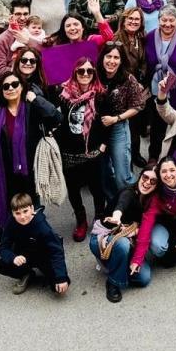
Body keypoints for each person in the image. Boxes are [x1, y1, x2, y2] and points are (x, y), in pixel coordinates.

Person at [0, 71, 61, 238]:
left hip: (31, 172)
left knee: (32, 209)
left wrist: (36, 100)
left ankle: (37, 240)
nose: (11, 88)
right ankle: (6, 236)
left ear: (22, 87)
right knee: (10, 208)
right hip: (5, 173)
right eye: (6, 86)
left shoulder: (32, 108)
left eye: (15, 84)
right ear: (0, 91)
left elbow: (56, 117)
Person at [56, 58, 108, 242]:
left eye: (89, 71)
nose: (85, 74)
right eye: (81, 71)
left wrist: (103, 144)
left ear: (94, 74)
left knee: (97, 188)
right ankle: (81, 220)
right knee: (73, 189)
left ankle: (99, 219)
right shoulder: (63, 95)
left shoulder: (101, 96)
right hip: (70, 153)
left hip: (93, 152)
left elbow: (107, 123)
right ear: (74, 73)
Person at [91, 167, 157, 302]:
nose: (147, 182)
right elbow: (122, 203)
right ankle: (113, 282)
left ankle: (114, 264)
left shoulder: (151, 200)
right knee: (122, 244)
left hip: (128, 239)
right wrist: (117, 216)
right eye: (145, 177)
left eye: (153, 181)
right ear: (140, 176)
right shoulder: (129, 192)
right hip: (104, 238)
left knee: (144, 278)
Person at [96, 42, 149, 199]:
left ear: (121, 60)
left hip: (117, 127)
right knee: (104, 172)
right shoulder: (93, 74)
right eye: (108, 56)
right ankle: (113, 204)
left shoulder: (128, 79)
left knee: (122, 173)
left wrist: (116, 118)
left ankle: (129, 204)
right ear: (102, 58)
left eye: (116, 57)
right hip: (97, 130)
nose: (112, 61)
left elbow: (138, 105)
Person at [0, 194, 70, 295]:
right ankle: (27, 274)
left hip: (43, 256)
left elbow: (56, 252)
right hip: (23, 255)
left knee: (58, 288)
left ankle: (50, 274)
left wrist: (61, 277)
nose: (22, 217)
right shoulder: (11, 223)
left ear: (31, 208)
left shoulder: (43, 227)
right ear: (12, 213)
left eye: (25, 211)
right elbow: (4, 247)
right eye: (17, 213)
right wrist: (13, 257)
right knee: (1, 265)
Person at [0, 0, 33, 78]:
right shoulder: (1, 41)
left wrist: (30, 42)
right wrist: (26, 71)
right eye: (18, 14)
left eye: (25, 14)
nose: (22, 18)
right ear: (11, 16)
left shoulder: (34, 33)